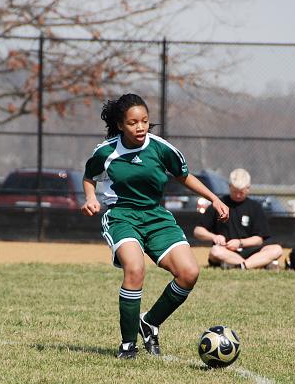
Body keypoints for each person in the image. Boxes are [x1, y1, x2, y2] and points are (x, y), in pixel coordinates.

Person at [82, 93, 229, 359]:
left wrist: (213, 198)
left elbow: (184, 176)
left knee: (189, 272)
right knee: (135, 269)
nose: (140, 127)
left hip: (155, 216)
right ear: (120, 125)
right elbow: (89, 176)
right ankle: (128, 345)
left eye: (145, 121)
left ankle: (149, 322)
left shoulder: (161, 148)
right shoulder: (106, 152)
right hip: (121, 216)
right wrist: (91, 198)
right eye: (133, 123)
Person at [193, 167, 284, 270]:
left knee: (277, 249)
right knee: (215, 251)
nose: (238, 195)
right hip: (226, 251)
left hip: (250, 251)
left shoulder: (255, 207)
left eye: (241, 192)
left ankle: (241, 265)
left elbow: (259, 239)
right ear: (229, 186)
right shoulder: (219, 204)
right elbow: (198, 231)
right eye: (235, 191)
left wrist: (240, 243)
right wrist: (214, 237)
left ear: (248, 188)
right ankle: (257, 263)